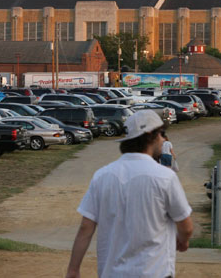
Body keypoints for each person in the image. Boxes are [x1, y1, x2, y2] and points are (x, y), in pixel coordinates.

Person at [65, 110, 193, 278]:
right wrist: (183, 240)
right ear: (150, 136)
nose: (163, 139)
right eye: (161, 134)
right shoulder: (165, 177)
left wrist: (73, 270)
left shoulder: (103, 175)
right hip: (154, 272)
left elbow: (85, 227)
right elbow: (186, 225)